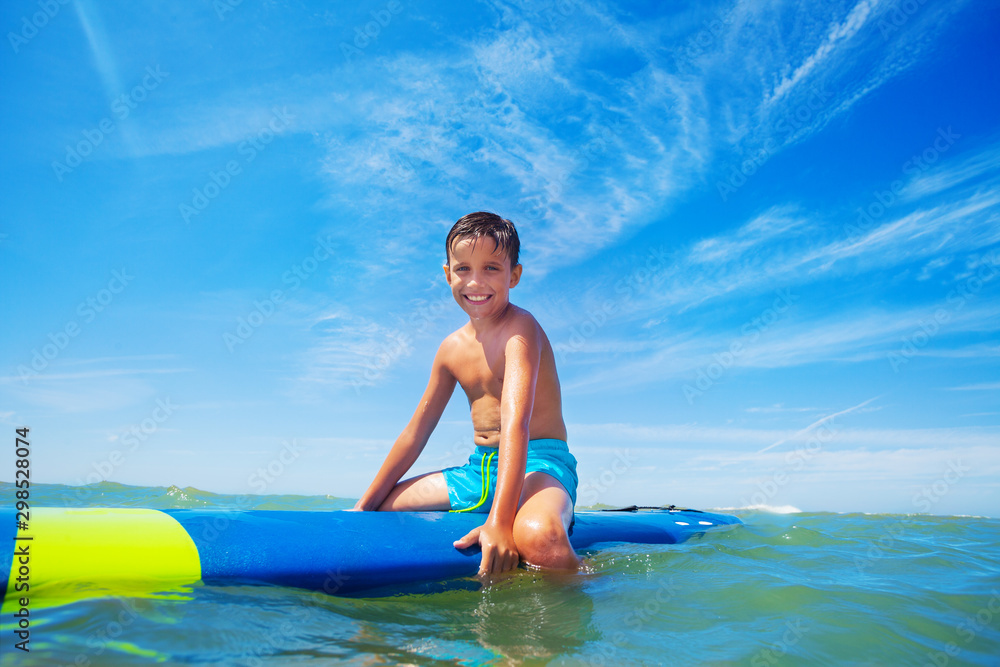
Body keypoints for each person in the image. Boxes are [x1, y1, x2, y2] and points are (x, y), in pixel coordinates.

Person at [354, 211, 580, 575]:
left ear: (514, 276)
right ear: (447, 274)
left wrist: (500, 524)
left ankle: (591, 584)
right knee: (383, 509)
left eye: (491, 268)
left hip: (539, 464)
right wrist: (362, 508)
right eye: (463, 269)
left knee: (539, 539)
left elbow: (516, 423)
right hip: (479, 470)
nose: (476, 282)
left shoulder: (521, 330)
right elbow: (415, 434)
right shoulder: (450, 349)